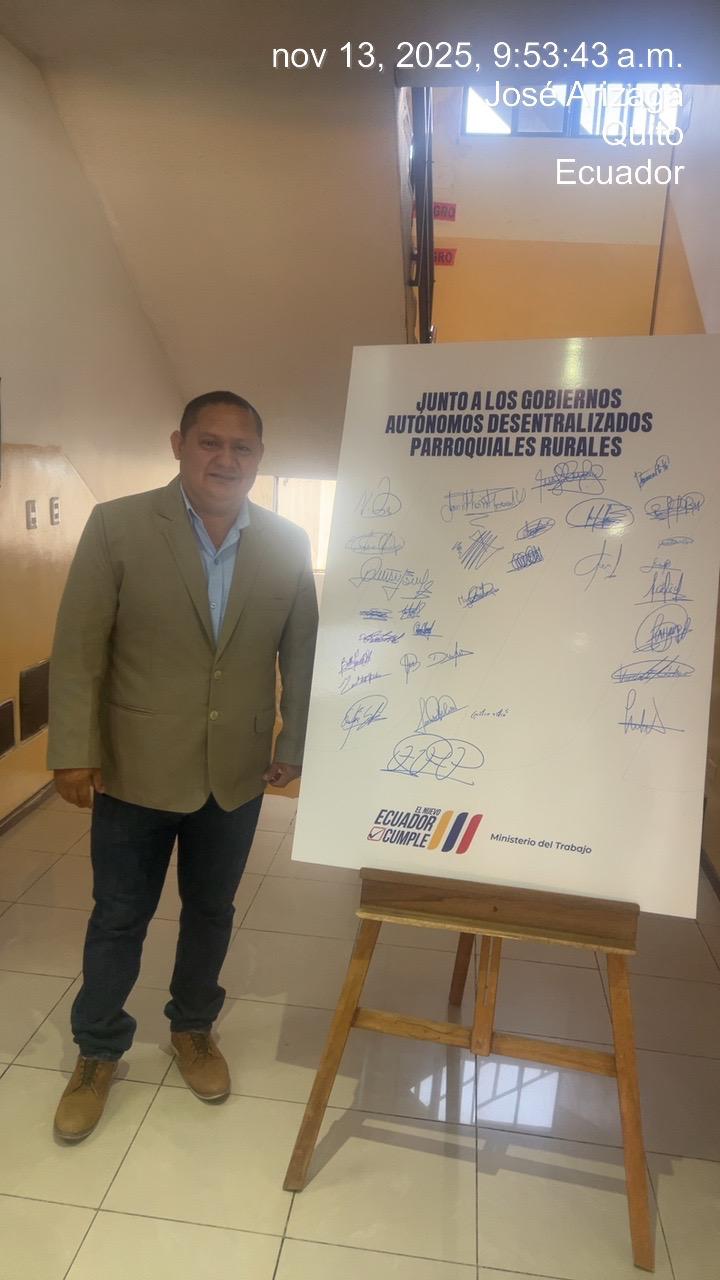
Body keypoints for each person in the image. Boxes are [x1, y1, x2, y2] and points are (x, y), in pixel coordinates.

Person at [47, 390, 318, 1141]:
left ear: (259, 458)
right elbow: (80, 648)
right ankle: (98, 1049)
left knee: (211, 910)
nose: (225, 459)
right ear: (179, 445)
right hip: (135, 767)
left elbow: (301, 652)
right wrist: (73, 750)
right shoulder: (119, 525)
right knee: (119, 915)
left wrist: (293, 744)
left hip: (235, 773)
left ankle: (193, 1028)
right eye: (209, 442)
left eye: (242, 447)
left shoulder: (288, 542)